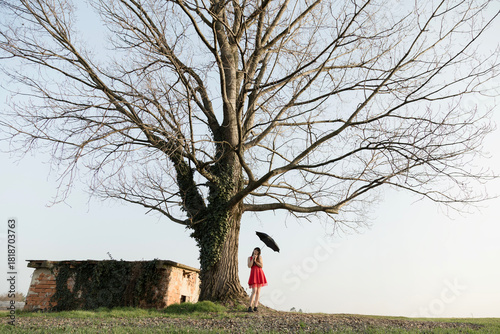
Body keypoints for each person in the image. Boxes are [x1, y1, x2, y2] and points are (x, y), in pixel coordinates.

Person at [247, 247, 267, 312]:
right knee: (254, 291)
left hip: (259, 273)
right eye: (255, 250)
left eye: (257, 251)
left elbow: (261, 265)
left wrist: (256, 261)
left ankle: (256, 306)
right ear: (253, 250)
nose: (256, 251)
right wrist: (253, 259)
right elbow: (249, 266)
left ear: (259, 252)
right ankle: (250, 306)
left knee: (258, 292)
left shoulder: (260, 257)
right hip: (253, 274)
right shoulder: (249, 258)